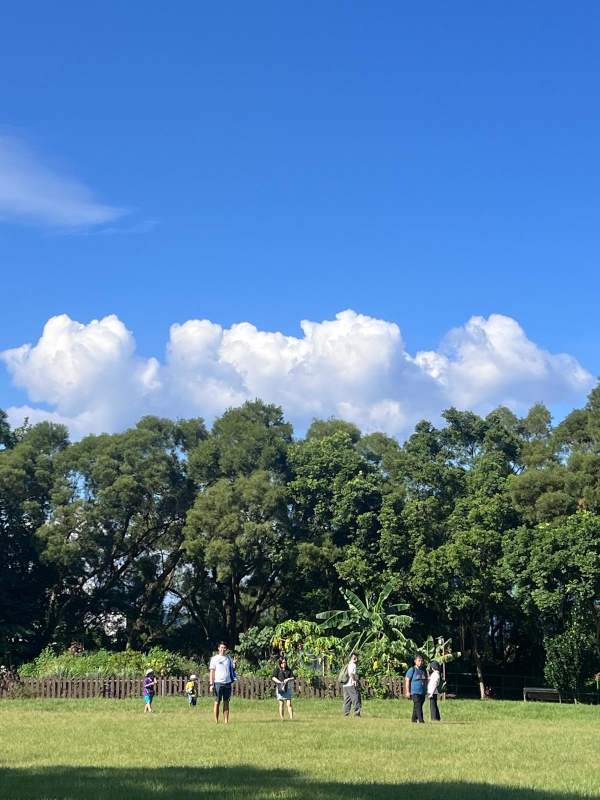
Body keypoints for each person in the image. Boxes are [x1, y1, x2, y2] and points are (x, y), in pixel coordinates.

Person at [209, 642, 237, 724]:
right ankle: (216, 721)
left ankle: (226, 721)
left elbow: (233, 669)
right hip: (218, 682)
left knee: (226, 702)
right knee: (217, 702)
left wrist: (235, 663)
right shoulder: (214, 659)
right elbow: (212, 672)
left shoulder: (228, 658)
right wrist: (211, 684)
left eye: (224, 648)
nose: (223, 649)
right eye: (221, 647)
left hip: (227, 683)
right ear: (218, 648)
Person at [404, 654, 428, 723]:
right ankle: (421, 720)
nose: (420, 662)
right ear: (415, 661)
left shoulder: (423, 670)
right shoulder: (412, 669)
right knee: (418, 705)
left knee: (417, 706)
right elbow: (407, 680)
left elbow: (425, 680)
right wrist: (408, 691)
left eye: (422, 661)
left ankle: (413, 719)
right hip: (414, 691)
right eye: (419, 660)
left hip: (422, 691)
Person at [342, 653, 361, 717]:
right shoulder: (353, 665)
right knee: (356, 698)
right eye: (357, 658)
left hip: (345, 684)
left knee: (347, 700)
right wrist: (355, 680)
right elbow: (351, 674)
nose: (358, 659)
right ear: (355, 658)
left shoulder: (348, 664)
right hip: (350, 684)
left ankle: (345, 713)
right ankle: (357, 713)